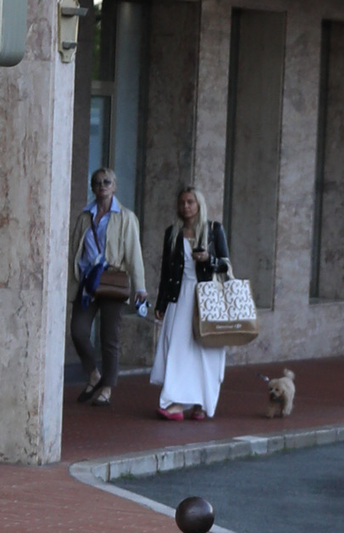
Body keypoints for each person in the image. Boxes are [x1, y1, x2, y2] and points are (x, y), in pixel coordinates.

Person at [150, 185, 229, 421]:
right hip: (180, 296)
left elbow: (225, 263)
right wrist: (161, 302)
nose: (186, 206)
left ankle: (200, 403)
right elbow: (166, 271)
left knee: (205, 352)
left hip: (207, 297)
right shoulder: (172, 232)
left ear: (199, 204)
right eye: (182, 202)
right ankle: (176, 402)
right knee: (178, 349)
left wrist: (209, 259)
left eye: (190, 202)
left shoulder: (214, 230)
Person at [71, 167, 145, 408]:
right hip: (88, 281)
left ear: (114, 186)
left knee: (109, 337)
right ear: (92, 188)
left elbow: (134, 255)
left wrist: (140, 287)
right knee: (78, 331)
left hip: (113, 280)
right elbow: (74, 252)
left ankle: (107, 388)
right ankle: (93, 373)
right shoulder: (85, 217)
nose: (102, 185)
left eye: (107, 181)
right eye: (97, 182)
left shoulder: (126, 217)